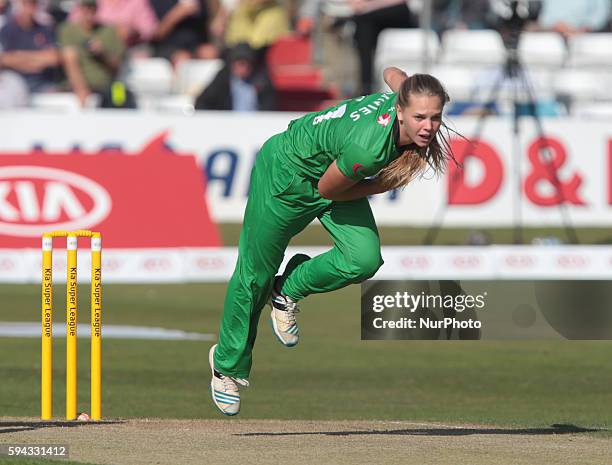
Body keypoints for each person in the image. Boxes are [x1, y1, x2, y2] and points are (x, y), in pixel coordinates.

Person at [208, 67, 455, 415]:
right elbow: (329, 190)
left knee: (363, 259)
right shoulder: (368, 150)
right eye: (419, 117)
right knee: (254, 276)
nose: (428, 126)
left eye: (435, 117)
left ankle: (287, 290)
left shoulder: (406, 96)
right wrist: (384, 184)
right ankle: (226, 367)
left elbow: (390, 72)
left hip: (332, 171)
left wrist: (410, 94)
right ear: (399, 110)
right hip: (288, 174)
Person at [58, 0, 126, 106]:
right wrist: (81, 89)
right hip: (79, 87)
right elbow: (69, 61)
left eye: (92, 8)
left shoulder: (109, 31)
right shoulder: (68, 30)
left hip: (107, 86)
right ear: (79, 9)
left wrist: (102, 53)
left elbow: (117, 67)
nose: (89, 13)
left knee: (122, 100)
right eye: (85, 8)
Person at [0, 0, 60, 94]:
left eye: (33, 4)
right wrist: (38, 59)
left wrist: (19, 56)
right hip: (16, 83)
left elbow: (53, 58)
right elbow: (5, 59)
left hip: (42, 84)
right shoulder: (7, 29)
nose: (29, 8)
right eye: (26, 4)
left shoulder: (44, 29)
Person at [194, 42, 276, 111]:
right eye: (239, 63)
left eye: (245, 63)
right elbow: (203, 102)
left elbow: (269, 106)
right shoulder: (223, 78)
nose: (242, 68)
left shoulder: (262, 80)